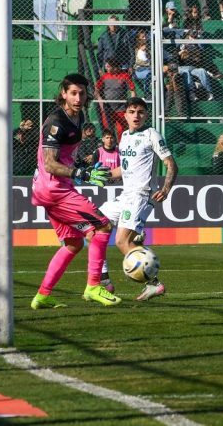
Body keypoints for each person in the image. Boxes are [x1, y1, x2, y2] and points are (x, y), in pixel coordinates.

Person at [29, 74, 116, 310]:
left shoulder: (78, 116)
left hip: (56, 187)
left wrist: (84, 169)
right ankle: (94, 286)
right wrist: (83, 174)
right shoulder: (56, 122)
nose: (78, 98)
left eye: (82, 93)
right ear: (64, 94)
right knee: (103, 226)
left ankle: (43, 295)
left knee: (73, 243)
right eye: (73, 93)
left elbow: (66, 157)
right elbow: (50, 163)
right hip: (53, 189)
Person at [100, 97, 178, 301]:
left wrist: (166, 188)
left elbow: (171, 164)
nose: (136, 115)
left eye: (141, 112)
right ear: (125, 114)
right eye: (132, 111)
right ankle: (104, 281)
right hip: (125, 194)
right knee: (95, 225)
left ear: (146, 115)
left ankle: (154, 284)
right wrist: (103, 176)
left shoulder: (151, 134)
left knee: (121, 241)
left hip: (140, 196)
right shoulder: (124, 136)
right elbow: (123, 171)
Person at [95, 58, 136, 139]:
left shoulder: (125, 76)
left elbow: (132, 90)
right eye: (106, 66)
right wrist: (101, 103)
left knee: (121, 132)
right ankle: (111, 149)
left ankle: (121, 148)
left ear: (116, 67)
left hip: (121, 109)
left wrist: (131, 104)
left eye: (109, 66)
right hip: (108, 109)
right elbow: (96, 91)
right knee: (108, 132)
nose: (107, 68)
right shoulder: (104, 77)